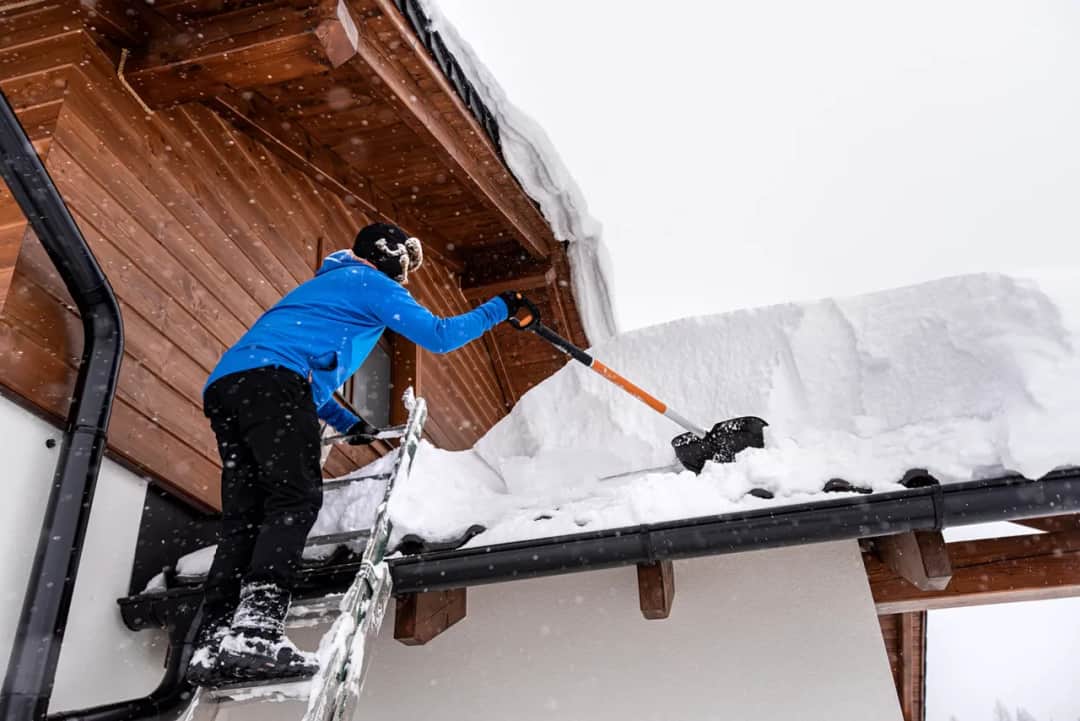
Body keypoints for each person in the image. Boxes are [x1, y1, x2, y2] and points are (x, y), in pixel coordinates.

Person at [187, 222, 523, 684]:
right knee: (294, 499)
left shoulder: (329, 286)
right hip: (274, 385)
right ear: (384, 253)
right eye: (405, 259)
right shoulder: (371, 282)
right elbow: (440, 336)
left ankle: (213, 638)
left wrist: (351, 424)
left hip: (230, 388)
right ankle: (257, 629)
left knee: (246, 517)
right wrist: (501, 307)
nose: (406, 272)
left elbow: (310, 384)